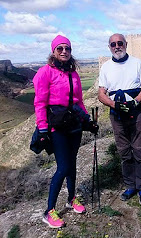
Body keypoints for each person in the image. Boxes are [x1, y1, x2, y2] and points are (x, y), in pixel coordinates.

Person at [33, 34, 98, 228]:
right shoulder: (45, 72)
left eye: (67, 48)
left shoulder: (74, 74)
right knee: (62, 167)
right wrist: (43, 129)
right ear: (53, 51)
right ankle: (49, 211)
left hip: (74, 125)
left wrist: (88, 121)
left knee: (72, 164)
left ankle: (71, 199)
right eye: (59, 48)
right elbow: (40, 102)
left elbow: (79, 101)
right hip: (57, 126)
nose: (64, 51)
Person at [98, 33, 141, 205]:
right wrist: (115, 105)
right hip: (117, 115)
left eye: (120, 43)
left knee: (139, 150)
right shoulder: (105, 67)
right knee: (124, 151)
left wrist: (136, 102)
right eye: (113, 44)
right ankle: (130, 186)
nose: (117, 46)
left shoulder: (136, 63)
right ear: (109, 47)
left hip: (136, 114)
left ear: (126, 44)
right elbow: (101, 94)